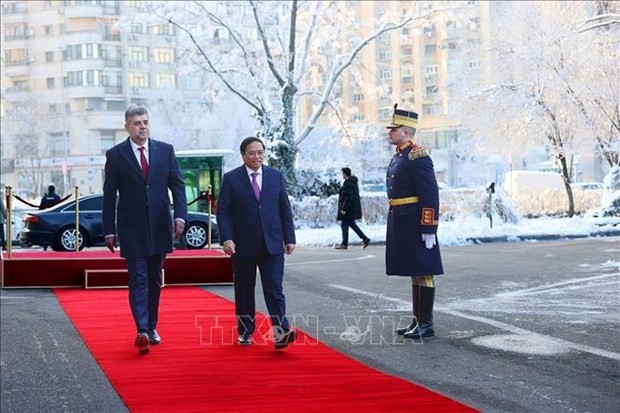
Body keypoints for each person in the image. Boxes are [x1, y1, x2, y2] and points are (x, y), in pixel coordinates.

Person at [102, 105, 187, 355]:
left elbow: (178, 186)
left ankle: (151, 326)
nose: (143, 127)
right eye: (137, 123)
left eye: (146, 122)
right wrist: (109, 229)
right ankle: (141, 329)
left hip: (160, 225)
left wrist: (181, 215)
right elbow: (109, 195)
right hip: (132, 227)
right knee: (137, 279)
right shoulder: (116, 155)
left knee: (153, 280)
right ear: (127, 127)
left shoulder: (165, 150)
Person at [216, 137, 297, 350]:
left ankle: (280, 331)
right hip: (242, 245)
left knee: (274, 288)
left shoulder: (275, 176)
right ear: (243, 155)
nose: (257, 156)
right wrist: (226, 238)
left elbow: (284, 209)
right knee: (244, 290)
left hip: (272, 244)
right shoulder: (231, 179)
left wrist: (289, 238)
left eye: (260, 152)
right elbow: (223, 212)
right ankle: (245, 331)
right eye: (252, 153)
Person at [385, 104, 443, 339]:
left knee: (424, 271)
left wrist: (429, 228)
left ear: (406, 132)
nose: (389, 132)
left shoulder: (418, 157)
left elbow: (430, 194)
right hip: (402, 221)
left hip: (416, 223)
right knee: (414, 271)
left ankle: (426, 324)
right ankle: (417, 320)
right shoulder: (400, 156)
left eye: (394, 129)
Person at [335, 167, 370, 250]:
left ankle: (344, 244)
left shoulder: (347, 184)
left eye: (342, 173)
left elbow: (348, 198)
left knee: (344, 225)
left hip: (348, 210)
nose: (342, 175)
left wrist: (344, 209)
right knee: (352, 224)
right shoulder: (353, 183)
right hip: (352, 209)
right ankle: (365, 238)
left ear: (345, 174)